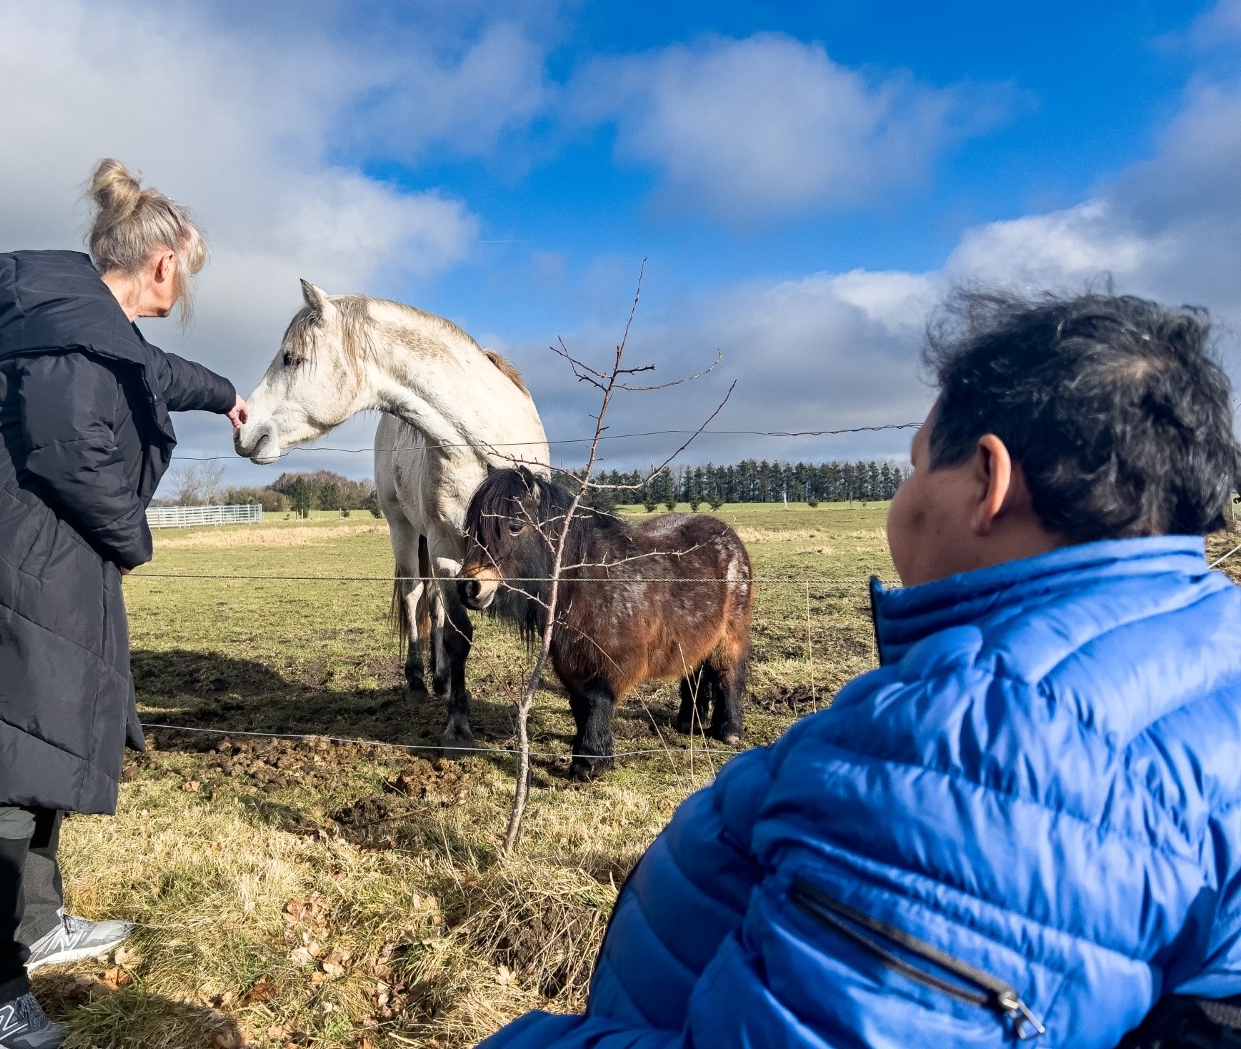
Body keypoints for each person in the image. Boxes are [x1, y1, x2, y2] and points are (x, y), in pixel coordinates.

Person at [481, 290, 1241, 1049]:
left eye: (913, 467)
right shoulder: (1219, 651)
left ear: (988, 480)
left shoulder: (951, 755)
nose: (901, 499)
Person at [0, 159, 247, 1048]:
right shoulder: (73, 342)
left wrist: (228, 396)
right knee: (9, 769)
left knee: (43, 742)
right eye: (188, 271)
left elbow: (158, 373)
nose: (184, 288)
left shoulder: (90, 332)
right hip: (20, 572)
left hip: (42, 568)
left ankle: (34, 925)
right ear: (163, 264)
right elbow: (73, 451)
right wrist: (133, 538)